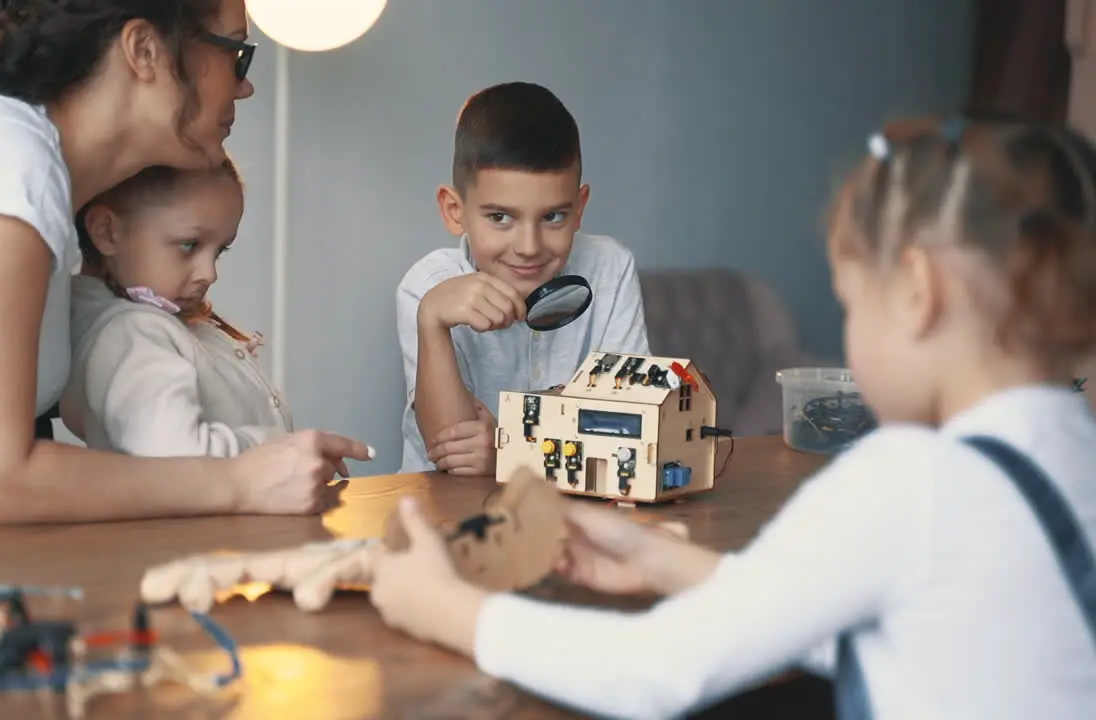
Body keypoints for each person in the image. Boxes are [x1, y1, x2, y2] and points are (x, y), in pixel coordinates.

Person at [370, 115, 1096, 718]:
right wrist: (667, 562)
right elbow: (882, 622)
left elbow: (656, 671)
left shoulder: (915, 477)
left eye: (851, 304)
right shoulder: (1073, 452)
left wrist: (442, 606)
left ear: (916, 290)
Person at [0, 0, 370, 531]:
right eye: (236, 54)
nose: (245, 84)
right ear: (144, 50)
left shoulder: (28, 170)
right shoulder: (2, 160)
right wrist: (241, 482)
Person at [395, 81, 650, 476]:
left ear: (579, 208)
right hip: (444, 514)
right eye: (500, 217)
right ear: (453, 210)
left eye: (553, 217)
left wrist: (513, 450)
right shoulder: (427, 285)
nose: (529, 247)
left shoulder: (610, 268)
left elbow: (632, 427)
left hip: (573, 515)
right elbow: (451, 453)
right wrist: (432, 321)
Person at [60, 159, 344, 463]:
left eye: (219, 250)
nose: (209, 273)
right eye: (189, 245)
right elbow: (175, 456)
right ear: (106, 232)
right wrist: (283, 448)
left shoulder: (147, 324)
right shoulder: (130, 332)